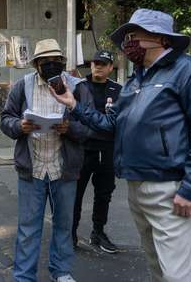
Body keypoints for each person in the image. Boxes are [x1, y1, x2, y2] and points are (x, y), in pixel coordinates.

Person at [50, 9, 191, 282]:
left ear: (161, 38)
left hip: (171, 187)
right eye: (127, 36)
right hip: (136, 185)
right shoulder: (136, 81)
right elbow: (112, 125)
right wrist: (73, 105)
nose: (127, 43)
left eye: (134, 35)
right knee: (157, 266)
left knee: (178, 275)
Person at [0, 39, 91, 282]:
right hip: (33, 169)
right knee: (28, 229)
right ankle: (24, 276)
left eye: (56, 61)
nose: (51, 65)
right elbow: (5, 119)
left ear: (62, 62)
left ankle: (60, 271)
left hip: (64, 170)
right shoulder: (22, 87)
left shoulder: (78, 87)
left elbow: (89, 128)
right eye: (45, 62)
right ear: (36, 64)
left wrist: (69, 128)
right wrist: (19, 125)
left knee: (64, 225)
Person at [72, 50, 122, 252]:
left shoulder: (118, 90)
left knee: (104, 194)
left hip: (107, 149)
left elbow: (121, 120)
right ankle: (70, 233)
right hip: (83, 149)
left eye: (103, 63)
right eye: (95, 63)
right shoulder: (80, 88)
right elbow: (71, 118)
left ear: (111, 67)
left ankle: (98, 233)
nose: (98, 66)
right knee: (75, 195)